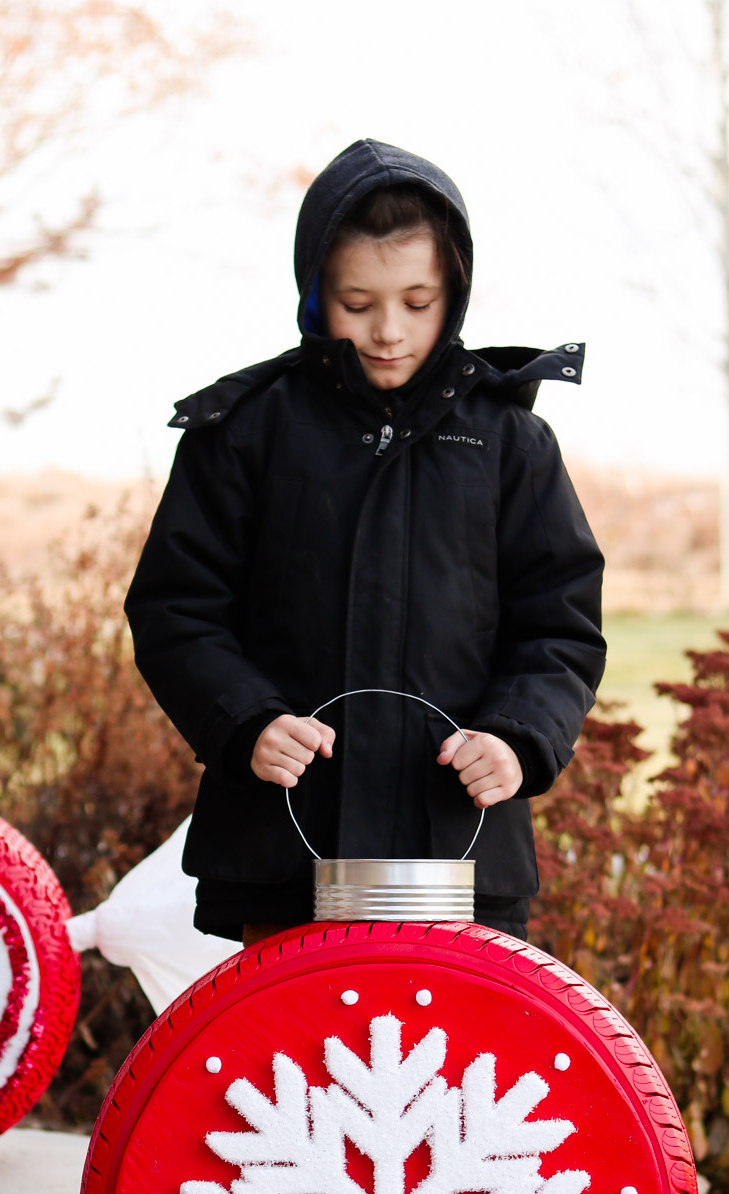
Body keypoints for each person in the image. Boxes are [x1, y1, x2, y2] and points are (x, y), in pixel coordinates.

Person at [125, 138, 605, 949]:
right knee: (291, 1071)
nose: (388, 331)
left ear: (453, 291)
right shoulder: (243, 434)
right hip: (286, 853)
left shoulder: (509, 442)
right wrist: (248, 721)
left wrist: (518, 739)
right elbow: (176, 610)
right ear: (315, 294)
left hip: (460, 854)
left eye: (417, 303)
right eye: (357, 303)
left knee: (447, 1074)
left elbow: (559, 625)